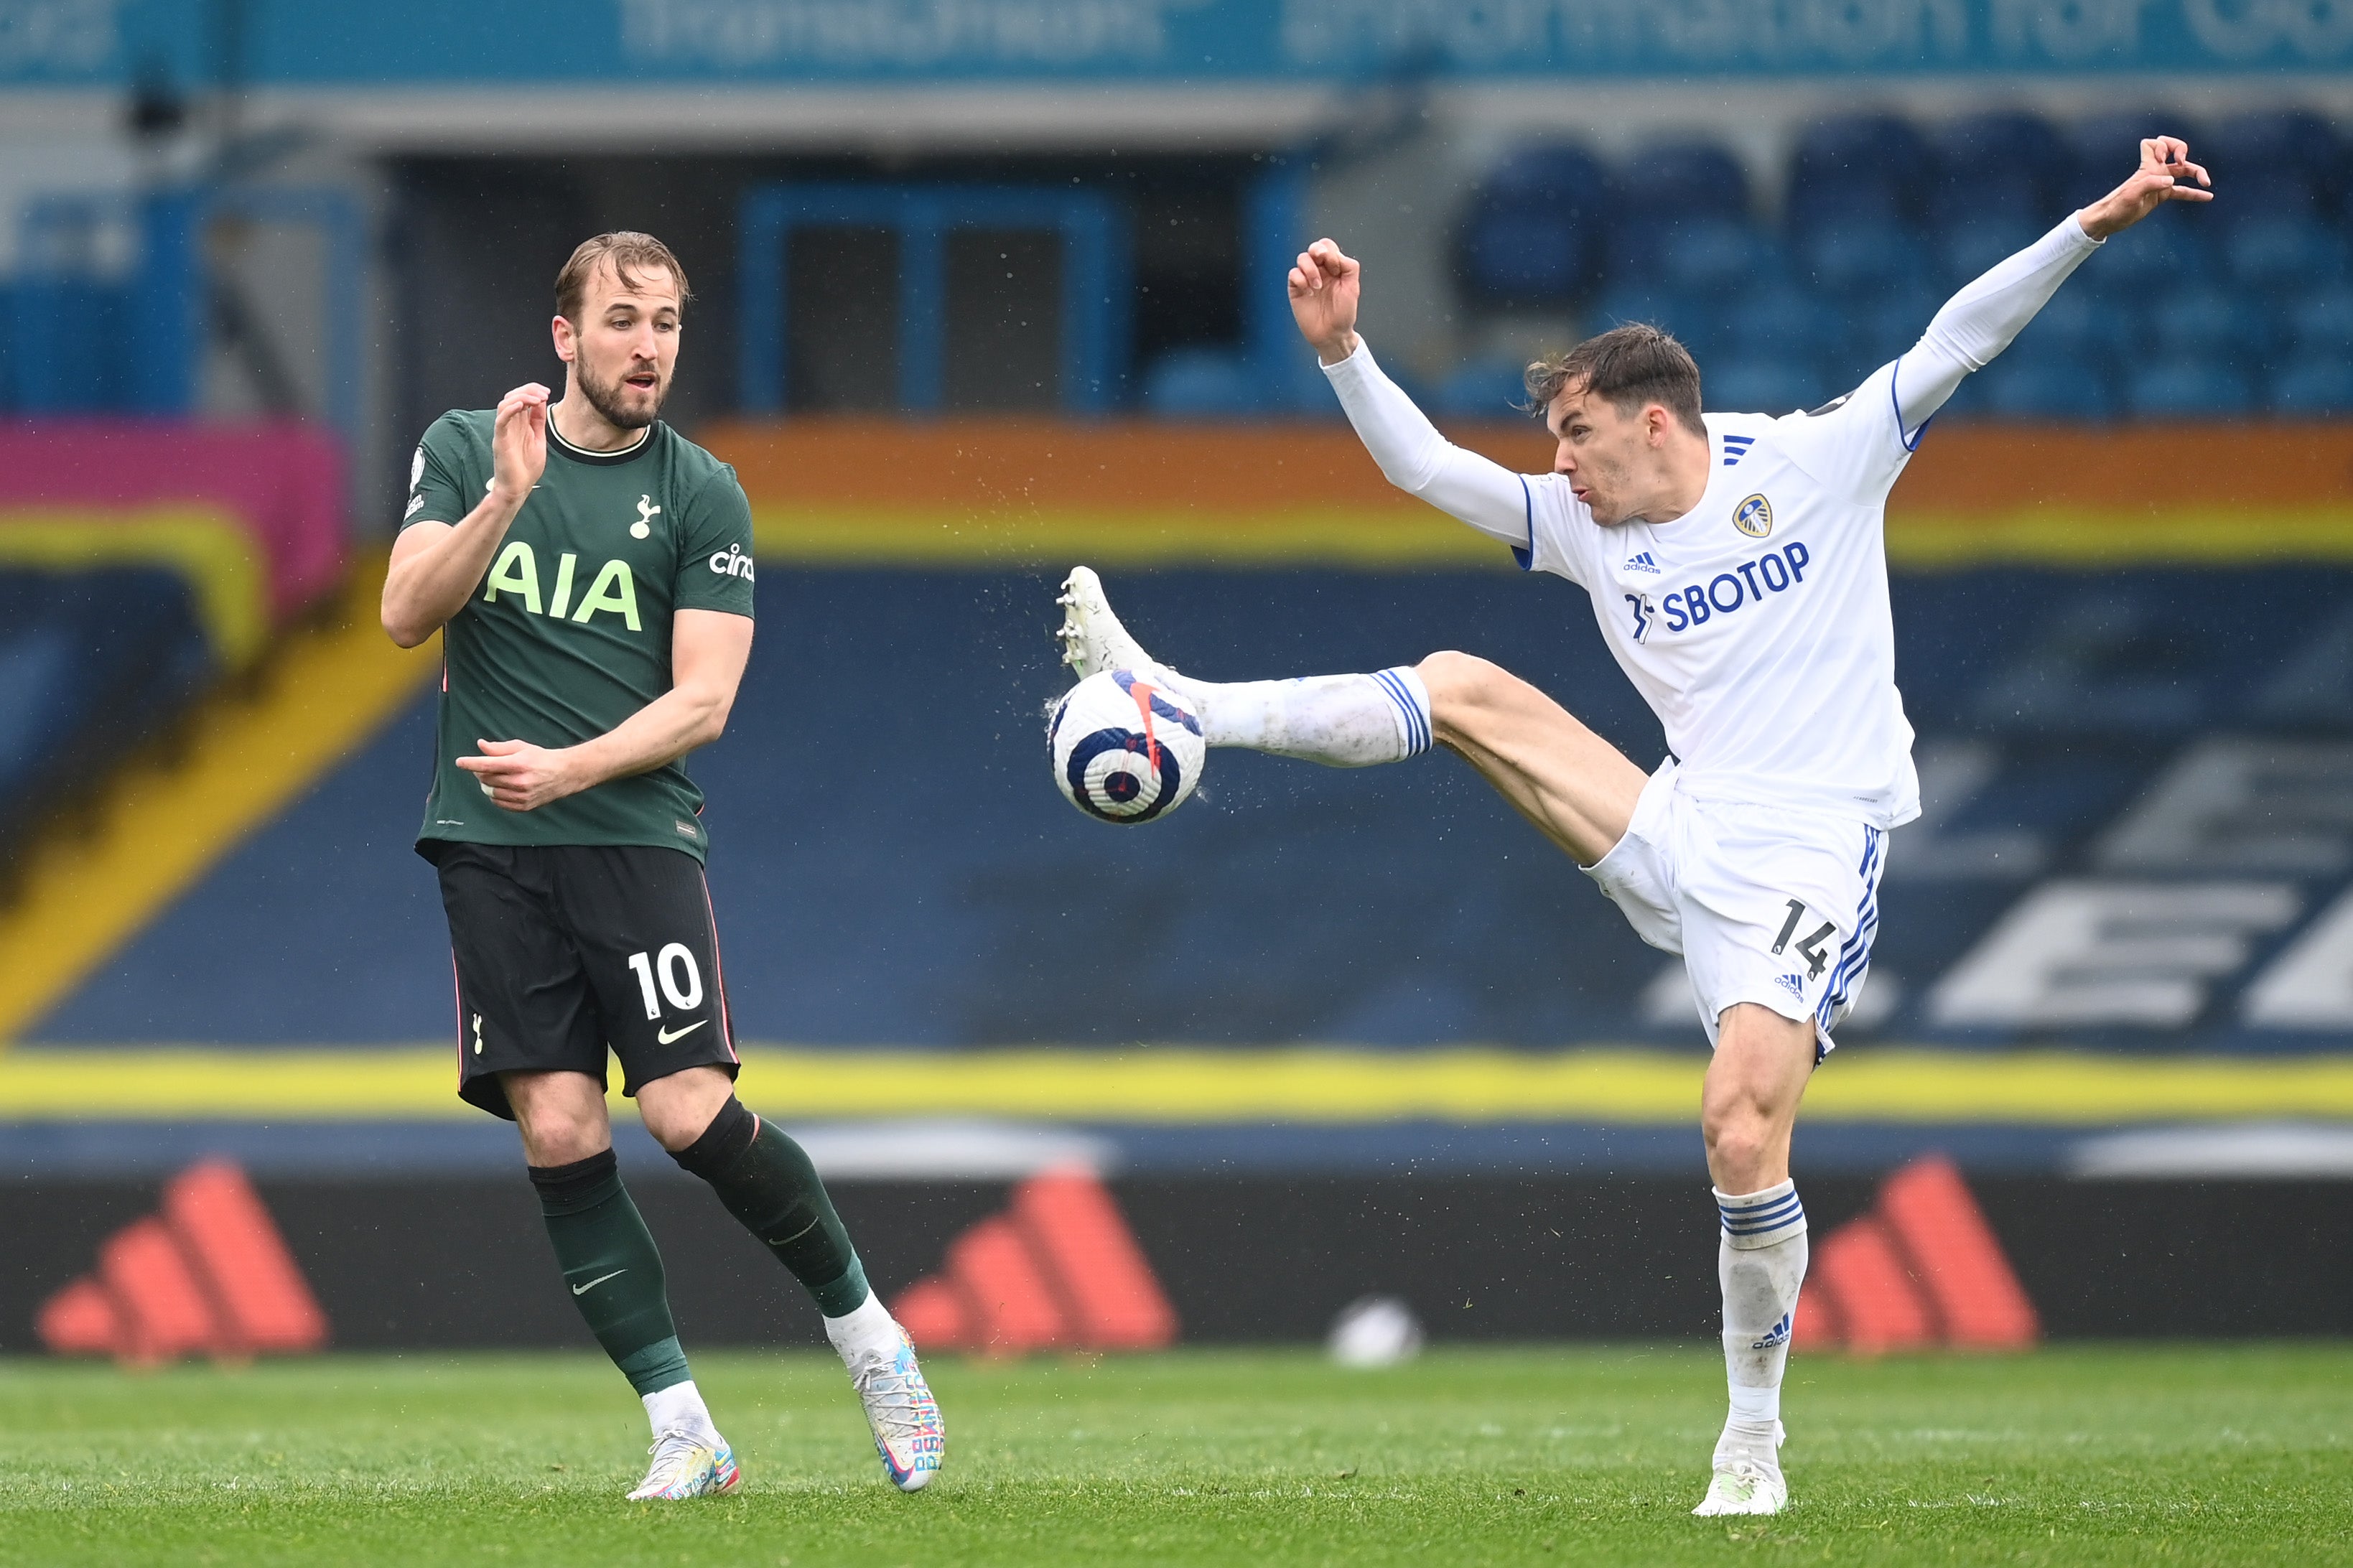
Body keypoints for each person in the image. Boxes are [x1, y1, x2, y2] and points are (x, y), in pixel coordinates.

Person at [1056, 139, 2212, 1516]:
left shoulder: (1817, 461)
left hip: (1807, 849)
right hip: (1676, 819)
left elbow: (1958, 334)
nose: (1559, 468)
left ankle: (1751, 1440)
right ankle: (1172, 696)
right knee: (1462, 685)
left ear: (1653, 423)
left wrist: (2096, 217)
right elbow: (1426, 470)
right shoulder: (1583, 522)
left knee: (1737, 1131)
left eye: (1578, 437)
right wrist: (1343, 351)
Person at [381, 230, 944, 1501]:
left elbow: (704, 704)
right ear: (564, 334)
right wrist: (505, 500)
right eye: (625, 320)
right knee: (560, 1126)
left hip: (632, 836)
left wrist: (570, 770)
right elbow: (406, 612)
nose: (651, 346)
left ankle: (872, 1341)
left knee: (686, 1111)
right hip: (487, 846)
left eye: (670, 322)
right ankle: (683, 1427)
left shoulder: (703, 491)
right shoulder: (473, 446)